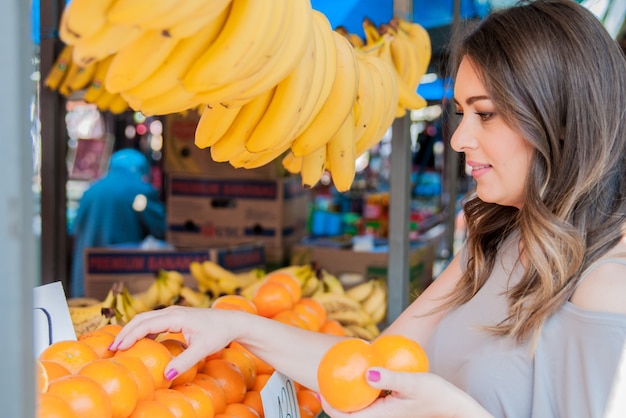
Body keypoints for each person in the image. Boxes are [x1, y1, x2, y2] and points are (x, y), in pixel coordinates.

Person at [110, 1, 626, 416]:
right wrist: (237, 327)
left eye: (485, 115)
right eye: (461, 112)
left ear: (559, 121)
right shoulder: (492, 242)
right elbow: (368, 368)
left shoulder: (605, 285)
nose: (459, 137)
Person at [70, 148, 166, 297]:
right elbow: (160, 227)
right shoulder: (140, 190)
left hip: (87, 272)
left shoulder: (91, 190)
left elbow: (75, 227)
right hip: (122, 273)